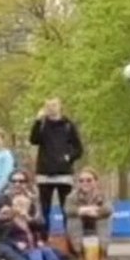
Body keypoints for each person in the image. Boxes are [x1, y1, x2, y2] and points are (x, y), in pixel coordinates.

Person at [29, 98, 84, 235]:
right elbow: (33, 140)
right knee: (45, 209)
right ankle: (44, 237)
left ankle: (69, 238)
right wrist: (37, 121)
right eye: (48, 106)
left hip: (63, 174)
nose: (51, 108)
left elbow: (78, 149)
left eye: (54, 105)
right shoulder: (42, 125)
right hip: (44, 174)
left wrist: (68, 157)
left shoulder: (68, 125)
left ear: (60, 107)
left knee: (66, 208)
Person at [0, 193, 64, 260]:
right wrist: (16, 243)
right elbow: (4, 238)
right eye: (19, 205)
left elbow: (40, 228)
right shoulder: (9, 221)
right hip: (22, 249)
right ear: (13, 207)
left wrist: (38, 239)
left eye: (24, 205)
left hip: (33, 245)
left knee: (46, 250)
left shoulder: (30, 221)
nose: (22, 207)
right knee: (35, 252)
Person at [65, 167, 113, 260]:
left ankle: (103, 254)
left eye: (89, 180)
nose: (85, 183)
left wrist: (96, 213)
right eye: (81, 181)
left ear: (96, 181)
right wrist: (85, 210)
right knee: (73, 219)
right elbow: (68, 210)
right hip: (80, 226)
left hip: (97, 225)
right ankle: (80, 255)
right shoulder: (72, 197)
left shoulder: (103, 195)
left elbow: (108, 209)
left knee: (104, 219)